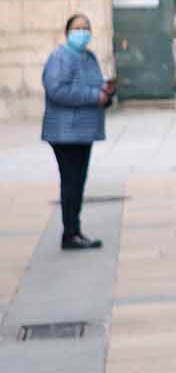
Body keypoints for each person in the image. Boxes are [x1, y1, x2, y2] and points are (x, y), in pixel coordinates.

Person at [41, 14, 115, 250]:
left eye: (86, 28)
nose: (82, 32)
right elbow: (56, 90)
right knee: (71, 181)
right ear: (67, 32)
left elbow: (93, 86)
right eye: (77, 28)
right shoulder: (59, 57)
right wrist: (95, 96)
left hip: (83, 131)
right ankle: (70, 233)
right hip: (65, 132)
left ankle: (74, 230)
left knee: (78, 181)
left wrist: (106, 93)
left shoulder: (89, 57)